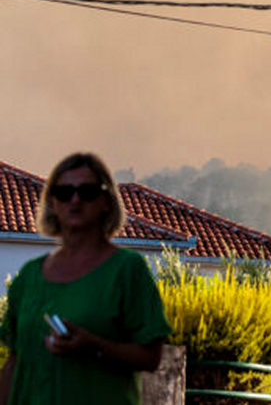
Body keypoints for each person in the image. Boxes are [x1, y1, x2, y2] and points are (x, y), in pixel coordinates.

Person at [0, 152, 172, 405]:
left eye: (87, 191)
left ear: (106, 201)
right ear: (53, 204)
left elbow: (151, 357)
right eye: (64, 192)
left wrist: (93, 347)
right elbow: (14, 363)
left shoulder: (127, 270)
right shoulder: (29, 276)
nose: (75, 200)